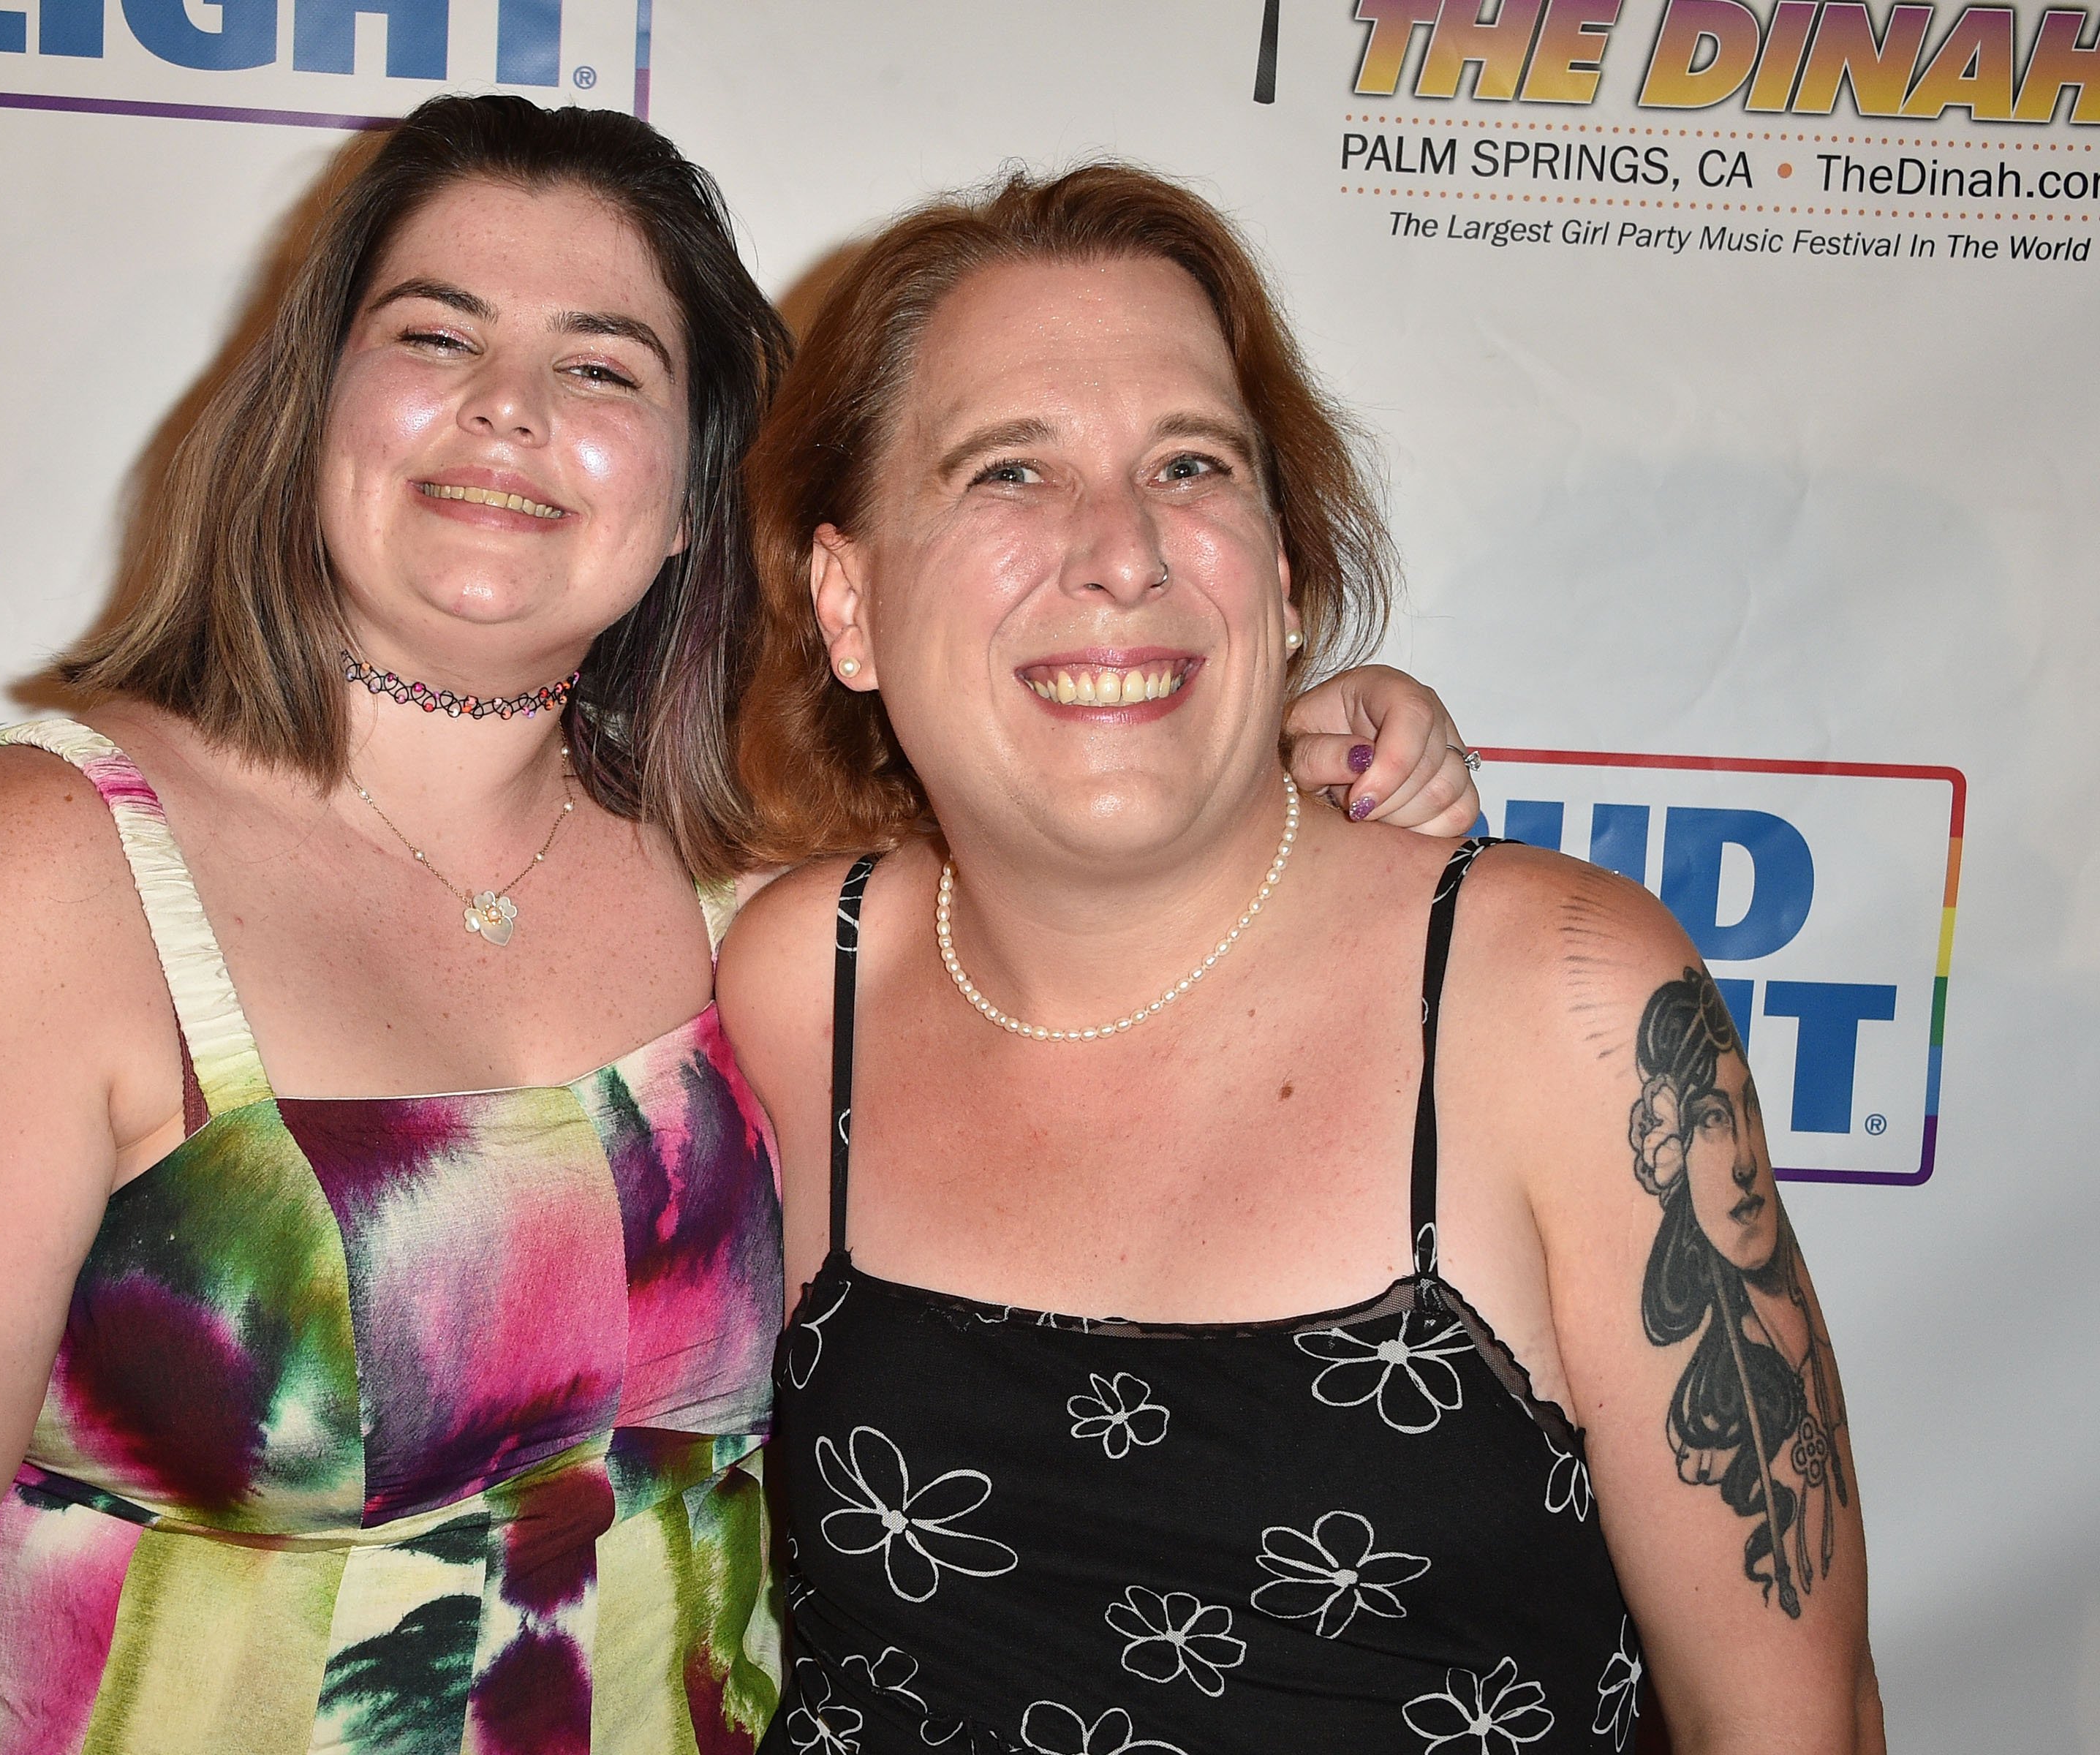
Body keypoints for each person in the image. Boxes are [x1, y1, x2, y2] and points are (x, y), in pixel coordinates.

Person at [0, 100, 1475, 1754]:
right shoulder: (40, 874)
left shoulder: (768, 878)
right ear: (309, 408)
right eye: (434, 334)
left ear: (702, 482)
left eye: (601, 366)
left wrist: (1311, 740)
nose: (507, 408)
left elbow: (1116, 876)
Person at [718, 164, 1884, 1752]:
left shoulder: (1561, 1005)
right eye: (1009, 472)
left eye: (1189, 464)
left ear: (1275, 574)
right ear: (848, 602)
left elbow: (1791, 1729)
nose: (1121, 549)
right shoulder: (802, 985)